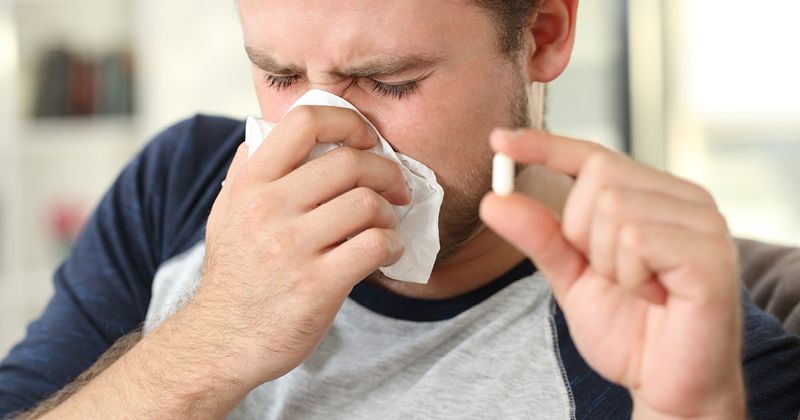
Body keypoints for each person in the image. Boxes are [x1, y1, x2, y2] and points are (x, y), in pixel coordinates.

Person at [1, 0, 799, 418]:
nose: (321, 130)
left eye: (389, 81)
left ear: (545, 36)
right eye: (278, 75)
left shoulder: (683, 355)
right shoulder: (182, 184)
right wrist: (216, 338)